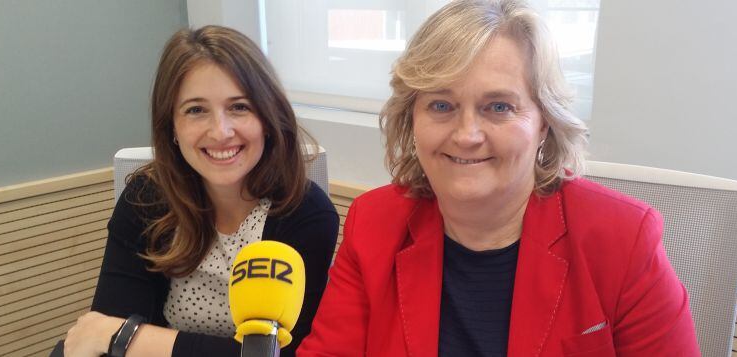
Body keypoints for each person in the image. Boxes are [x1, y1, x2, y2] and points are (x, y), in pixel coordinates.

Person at [298, 0, 700, 356]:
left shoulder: (621, 238)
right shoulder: (375, 222)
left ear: (545, 123)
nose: (466, 135)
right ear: (411, 118)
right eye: (441, 104)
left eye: (499, 107)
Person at [63, 26, 338, 357]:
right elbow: (99, 337)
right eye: (196, 110)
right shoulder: (145, 199)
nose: (220, 131)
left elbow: (280, 353)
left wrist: (132, 339)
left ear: (267, 118)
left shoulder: (306, 213)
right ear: (172, 128)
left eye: (239, 107)